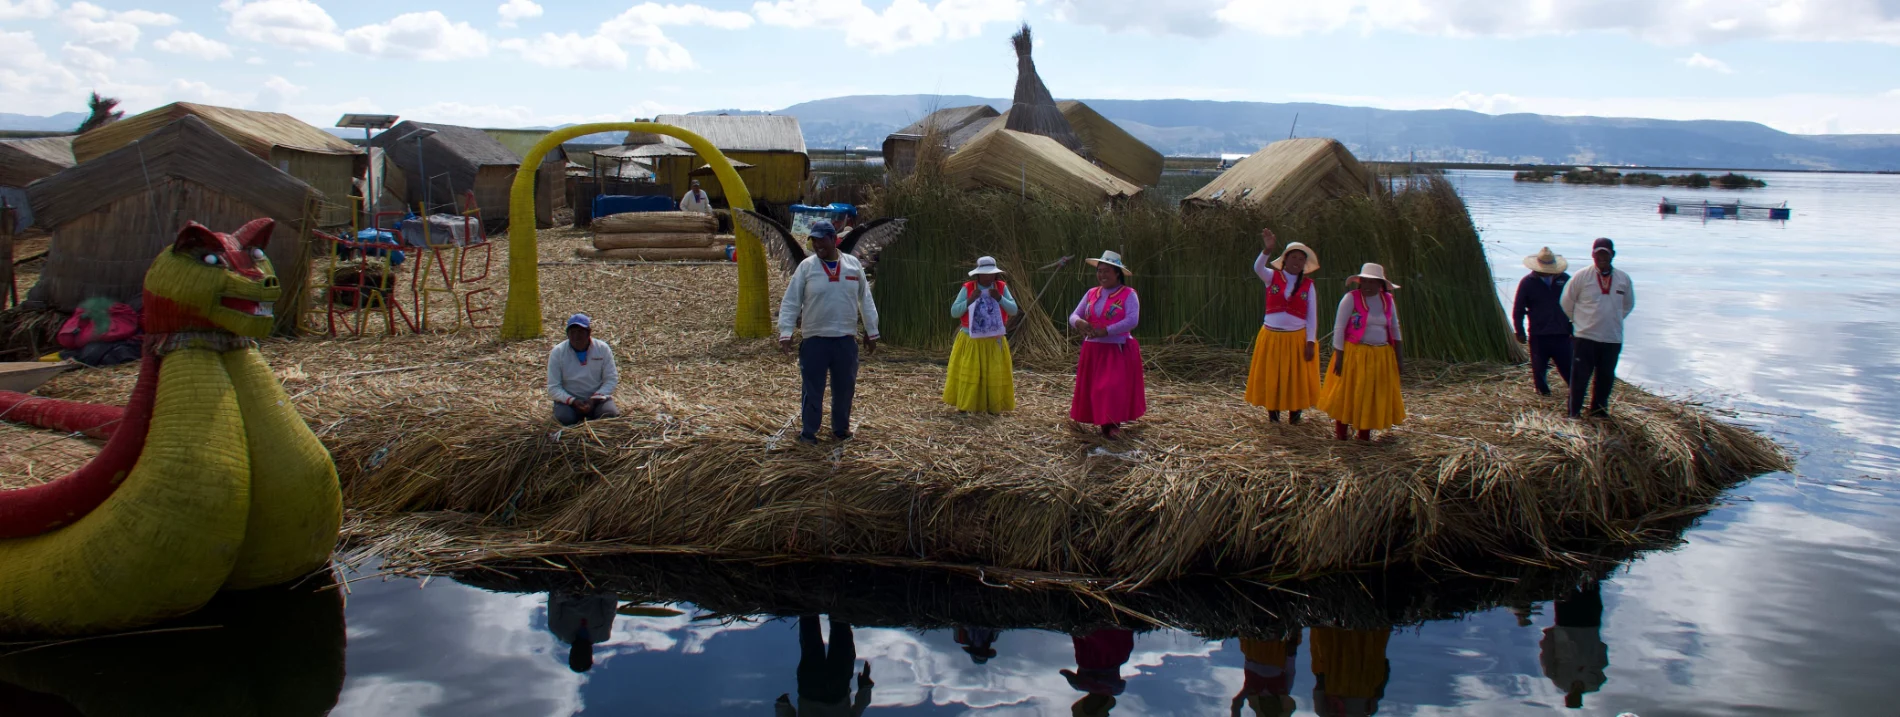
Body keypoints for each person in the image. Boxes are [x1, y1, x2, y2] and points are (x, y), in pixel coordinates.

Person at [778, 220, 880, 444]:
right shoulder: (807, 267)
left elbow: (866, 300)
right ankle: (809, 433)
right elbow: (791, 301)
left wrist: (871, 331)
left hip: (845, 339)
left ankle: (840, 430)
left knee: (844, 389)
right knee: (812, 389)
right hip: (815, 340)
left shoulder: (853, 266)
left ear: (834, 239)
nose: (817, 245)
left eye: (821, 240)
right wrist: (785, 332)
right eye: (813, 241)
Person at [1318, 264, 1405, 441]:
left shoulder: (1387, 300)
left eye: (1372, 282)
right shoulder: (1351, 298)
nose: (1368, 285)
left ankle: (1364, 434)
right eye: (1364, 281)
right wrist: (1339, 357)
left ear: (1380, 284)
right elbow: (1339, 328)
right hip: (1354, 353)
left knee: (1371, 394)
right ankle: (1341, 433)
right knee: (1348, 391)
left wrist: (1399, 358)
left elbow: (1395, 329)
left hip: (1381, 355)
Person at [1245, 228, 1321, 425]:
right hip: (1272, 337)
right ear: (1285, 260)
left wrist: (1310, 341)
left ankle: (1295, 416)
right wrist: (1267, 249)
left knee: (1295, 378)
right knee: (1274, 376)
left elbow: (1312, 316)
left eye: (1301, 259)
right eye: (1293, 257)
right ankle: (1274, 417)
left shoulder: (1308, 285)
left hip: (1296, 338)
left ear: (1305, 263)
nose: (1297, 262)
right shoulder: (1272, 277)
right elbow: (1257, 268)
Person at [1068, 251, 1146, 440]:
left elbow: (1132, 320)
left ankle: (1112, 424)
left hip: (1116, 348)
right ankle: (1103, 422)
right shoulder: (1092, 293)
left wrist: (1107, 330)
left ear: (1117, 273)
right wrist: (1080, 323)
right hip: (1093, 349)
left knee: (1110, 387)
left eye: (1106, 271)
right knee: (1095, 388)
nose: (1102, 275)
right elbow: (1074, 315)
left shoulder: (1128, 294)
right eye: (1099, 271)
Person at [1559, 238, 1635, 419]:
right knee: (1580, 378)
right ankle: (1573, 413)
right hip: (1585, 336)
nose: (1601, 258)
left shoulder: (1623, 279)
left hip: (1612, 338)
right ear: (1592, 255)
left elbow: (1628, 305)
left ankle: (1598, 412)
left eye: (1605, 254)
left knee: (1606, 378)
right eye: (1598, 254)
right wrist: (1579, 323)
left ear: (1612, 255)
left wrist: (1611, 320)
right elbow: (1566, 302)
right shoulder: (1582, 276)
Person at [944, 256, 1019, 413]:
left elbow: (1013, 310)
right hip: (971, 340)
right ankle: (966, 406)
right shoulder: (968, 288)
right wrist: (970, 300)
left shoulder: (1001, 287)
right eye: (985, 274)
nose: (988, 277)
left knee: (993, 375)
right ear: (978, 275)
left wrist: (999, 298)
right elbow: (954, 312)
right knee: (970, 374)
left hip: (994, 340)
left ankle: (993, 407)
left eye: (991, 274)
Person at [777, 615, 874, 717]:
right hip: (813, 691)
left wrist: (865, 688)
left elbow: (857, 712)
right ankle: (815, 606)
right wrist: (782, 706)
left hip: (832, 692)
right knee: (811, 639)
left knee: (840, 639)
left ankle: (833, 605)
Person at [1514, 247, 1574, 396]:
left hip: (1562, 333)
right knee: (1539, 368)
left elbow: (1577, 305)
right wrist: (1519, 331)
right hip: (1539, 333)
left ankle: (1575, 393)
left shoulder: (1565, 280)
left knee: (1568, 367)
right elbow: (1518, 309)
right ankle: (1543, 393)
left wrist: (1575, 329)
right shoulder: (1528, 282)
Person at [1539, 582, 1608, 709]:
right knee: (1591, 588)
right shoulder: (1594, 683)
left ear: (1566, 697)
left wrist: (1550, 635)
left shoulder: (1559, 680)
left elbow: (1547, 655)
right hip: (1590, 627)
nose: (1573, 697)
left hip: (1566, 625)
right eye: (1575, 700)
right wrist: (1596, 646)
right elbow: (1602, 661)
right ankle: (1591, 569)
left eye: (1570, 699)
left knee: (1564, 587)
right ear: (1580, 700)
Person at [548, 313, 620, 426]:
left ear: (589, 332)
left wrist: (594, 399)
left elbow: (611, 379)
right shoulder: (558, 352)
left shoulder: (602, 349)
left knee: (609, 414)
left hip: (597, 400)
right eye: (573, 332)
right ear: (567, 334)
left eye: (581, 332)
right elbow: (553, 387)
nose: (576, 336)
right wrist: (573, 401)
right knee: (564, 418)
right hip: (569, 402)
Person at [1309, 627, 1390, 717]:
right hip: (1343, 676)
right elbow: (1319, 686)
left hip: (1355, 677)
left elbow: (1378, 691)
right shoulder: (1323, 712)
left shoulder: (1324, 712)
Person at [1061, 628, 1134, 717]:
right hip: (1110, 659)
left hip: (1090, 658)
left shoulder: (1080, 685)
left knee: (1092, 636)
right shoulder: (1114, 690)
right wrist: (1097, 680)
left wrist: (1094, 680)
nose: (1089, 704)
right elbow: (1065, 673)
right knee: (1108, 638)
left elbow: (1064, 673)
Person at [1231, 629, 1302, 717]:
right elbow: (1290, 670)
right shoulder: (1284, 691)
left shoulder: (1252, 693)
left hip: (1255, 649)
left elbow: (1236, 704)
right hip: (1275, 652)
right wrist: (1292, 646)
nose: (1270, 706)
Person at [546, 590, 618, 673]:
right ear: (590, 655)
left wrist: (569, 595)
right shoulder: (603, 634)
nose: (581, 653)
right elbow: (612, 600)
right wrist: (595, 592)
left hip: (568, 585)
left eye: (577, 656)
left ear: (571, 654)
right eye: (584, 656)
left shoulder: (557, 629)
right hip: (595, 586)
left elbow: (553, 597)